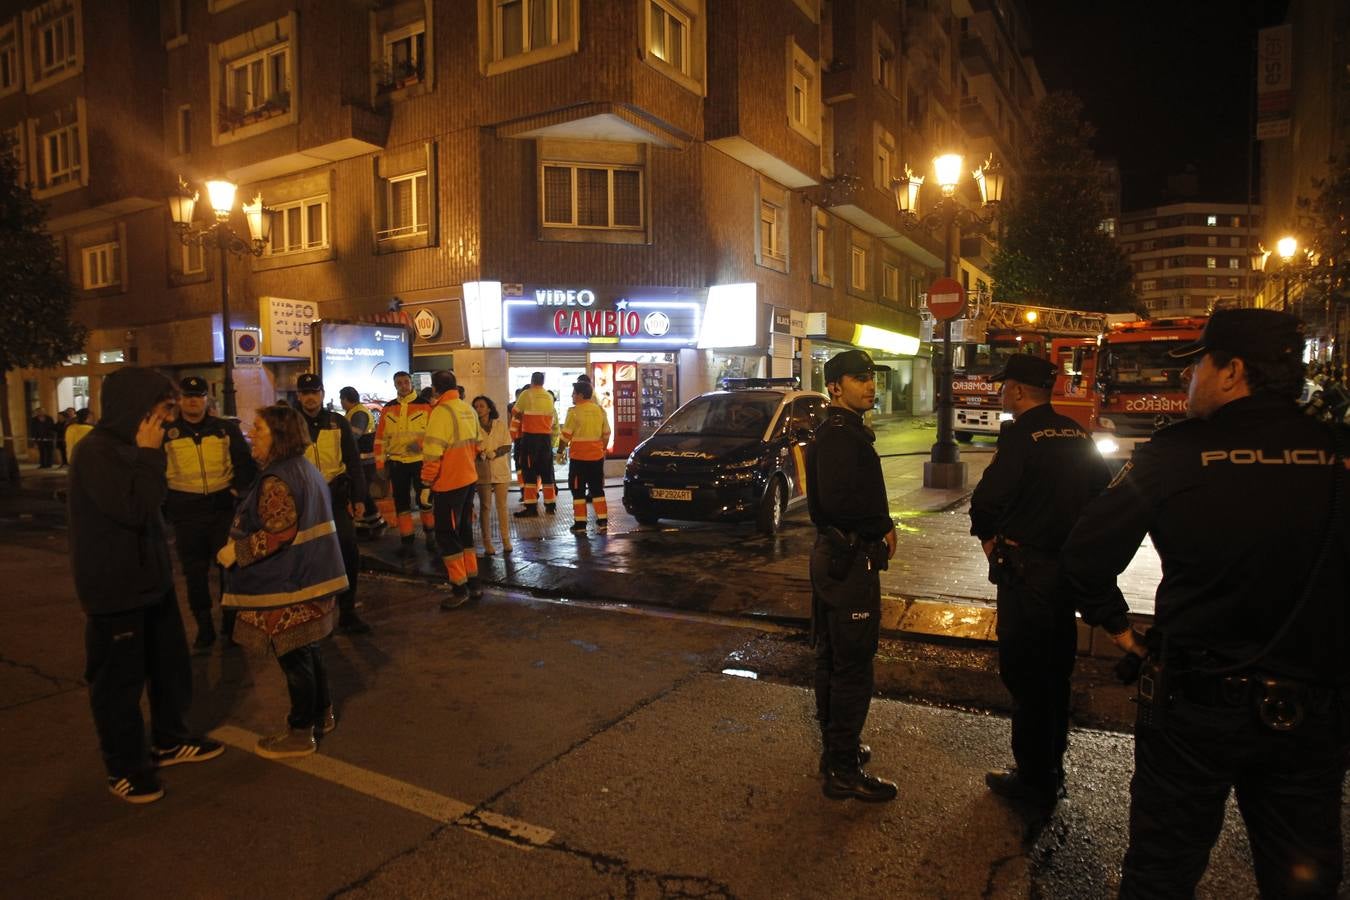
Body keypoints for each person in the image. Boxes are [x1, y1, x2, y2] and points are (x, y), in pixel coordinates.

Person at [1061, 309, 1349, 898]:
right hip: (1315, 711)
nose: (1187, 380)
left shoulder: (1176, 453)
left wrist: (1122, 633)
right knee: (1304, 878)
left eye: (1197, 364)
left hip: (1196, 705)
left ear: (1232, 371)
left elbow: (1084, 558)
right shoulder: (1338, 451)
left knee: (1162, 871)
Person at [68, 367, 223, 804]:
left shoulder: (132, 447)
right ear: (135, 408)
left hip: (152, 582)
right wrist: (151, 456)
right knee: (119, 684)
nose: (168, 419)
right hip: (115, 590)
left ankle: (169, 741)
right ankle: (124, 767)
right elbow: (135, 509)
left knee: (169, 667)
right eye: (162, 409)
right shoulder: (97, 452)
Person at [968, 354, 1110, 811]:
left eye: (1003, 386)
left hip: (1026, 576)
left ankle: (1033, 778)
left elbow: (986, 501)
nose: (999, 393)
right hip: (1064, 574)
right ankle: (1053, 765)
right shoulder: (1077, 434)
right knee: (1055, 673)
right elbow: (1103, 496)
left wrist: (994, 548)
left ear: (1016, 391)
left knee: (1026, 675)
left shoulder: (1021, 437)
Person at [219, 405, 349, 760]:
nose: (251, 435)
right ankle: (322, 716)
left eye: (258, 429)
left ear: (278, 435)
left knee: (294, 658)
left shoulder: (278, 478)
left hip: (289, 583)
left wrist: (237, 552)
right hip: (310, 578)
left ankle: (299, 732)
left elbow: (280, 531)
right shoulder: (304, 469)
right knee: (308, 650)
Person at [805, 349, 899, 803]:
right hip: (848, 561)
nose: (870, 385)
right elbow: (841, 502)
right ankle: (842, 768)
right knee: (852, 667)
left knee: (833, 658)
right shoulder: (842, 437)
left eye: (871, 377)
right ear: (835, 386)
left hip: (834, 556)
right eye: (859, 379)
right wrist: (880, 525)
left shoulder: (836, 430)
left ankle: (835, 750)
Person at [162, 376, 257, 651]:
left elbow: (244, 464)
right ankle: (204, 627)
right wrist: (167, 505)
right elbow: (156, 472)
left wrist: (239, 491)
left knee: (229, 569)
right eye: (188, 396)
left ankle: (230, 625)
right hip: (187, 514)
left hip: (221, 511)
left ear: (206, 399)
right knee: (194, 574)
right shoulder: (168, 433)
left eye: (198, 395)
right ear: (180, 400)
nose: (193, 400)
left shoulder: (224, 430)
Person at [295, 374, 371, 635]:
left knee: (348, 551)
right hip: (303, 503)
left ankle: (347, 611)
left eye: (314, 392)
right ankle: (313, 613)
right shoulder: (292, 425)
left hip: (335, 498)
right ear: (298, 396)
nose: (310, 397)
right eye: (305, 392)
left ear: (322, 394)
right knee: (308, 558)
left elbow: (353, 461)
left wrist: (359, 497)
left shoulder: (337, 422)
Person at [421, 370, 483, 610]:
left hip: (449, 484)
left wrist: (426, 484)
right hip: (468, 481)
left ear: (435, 389)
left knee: (446, 535)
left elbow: (433, 453)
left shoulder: (441, 412)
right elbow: (477, 445)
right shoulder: (468, 409)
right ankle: (474, 583)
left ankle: (459, 588)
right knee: (465, 532)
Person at [374, 371, 436, 555]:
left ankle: (430, 536)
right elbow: (380, 439)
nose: (403, 385)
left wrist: (420, 445)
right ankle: (407, 539)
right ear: (395, 385)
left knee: (425, 501)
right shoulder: (388, 408)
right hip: (396, 462)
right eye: (399, 383)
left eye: (406, 382)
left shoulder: (425, 406)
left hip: (420, 462)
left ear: (411, 383)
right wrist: (380, 465)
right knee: (401, 503)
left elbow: (435, 433)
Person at [558, 380, 611, 535]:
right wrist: (602, 449)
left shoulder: (573, 412)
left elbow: (566, 435)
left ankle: (580, 524)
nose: (572, 396)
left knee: (578, 491)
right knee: (597, 490)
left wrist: (559, 452)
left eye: (573, 393)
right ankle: (603, 522)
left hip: (579, 459)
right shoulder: (600, 411)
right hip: (596, 458)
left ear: (580, 395)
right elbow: (606, 434)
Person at [509, 371, 560, 517]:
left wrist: (523, 416)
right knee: (547, 473)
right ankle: (550, 505)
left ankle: (531, 507)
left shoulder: (526, 394)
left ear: (532, 380)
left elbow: (515, 411)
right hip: (545, 440)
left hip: (530, 439)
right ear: (543, 382)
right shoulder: (549, 396)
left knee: (529, 473)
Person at [472, 394, 513, 555]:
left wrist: (494, 453)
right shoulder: (472, 426)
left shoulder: (500, 425)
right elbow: (470, 446)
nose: (478, 409)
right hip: (482, 471)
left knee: (502, 506)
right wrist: (479, 453)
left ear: (489, 408)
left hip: (500, 469)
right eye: (475, 406)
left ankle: (506, 540)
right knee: (485, 507)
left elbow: (508, 444)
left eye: (482, 406)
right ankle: (487, 543)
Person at [339, 385, 384, 531]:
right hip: (362, 461)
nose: (341, 403)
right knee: (362, 494)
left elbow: (353, 436)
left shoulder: (358, 414)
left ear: (346, 399)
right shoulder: (355, 412)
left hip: (364, 462)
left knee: (359, 493)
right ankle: (376, 524)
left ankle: (367, 527)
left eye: (341, 399)